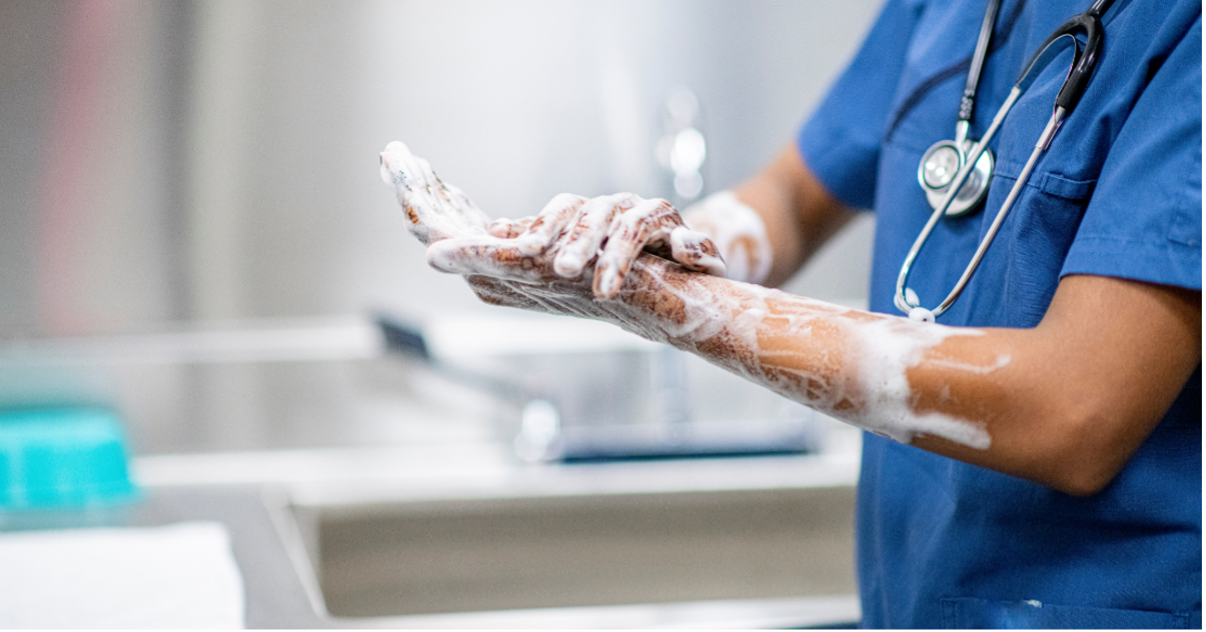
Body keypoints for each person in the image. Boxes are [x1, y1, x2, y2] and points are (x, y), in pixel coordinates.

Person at [380, 0, 1202, 627]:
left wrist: (671, 302)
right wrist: (646, 244)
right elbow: (789, 199)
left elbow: (1075, 411)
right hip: (914, 597)